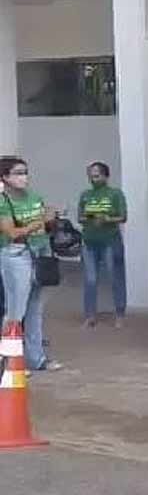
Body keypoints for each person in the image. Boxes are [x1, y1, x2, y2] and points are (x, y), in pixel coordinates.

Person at [0, 157, 61, 371]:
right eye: (17, 173)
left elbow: (46, 227)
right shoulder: (3, 202)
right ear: (5, 177)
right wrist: (39, 221)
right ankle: (9, 363)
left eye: (25, 172)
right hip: (15, 255)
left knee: (35, 309)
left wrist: (52, 219)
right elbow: (12, 233)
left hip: (39, 251)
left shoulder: (35, 197)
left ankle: (36, 359)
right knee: (15, 311)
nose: (23, 177)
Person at [78, 161, 128, 329]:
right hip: (89, 242)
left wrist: (107, 219)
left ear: (106, 176)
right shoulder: (85, 195)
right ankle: (90, 315)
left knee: (115, 277)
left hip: (110, 241)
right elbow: (80, 217)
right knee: (90, 279)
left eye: (97, 175)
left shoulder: (115, 194)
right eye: (91, 176)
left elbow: (123, 217)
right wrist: (91, 218)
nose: (93, 179)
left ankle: (119, 313)